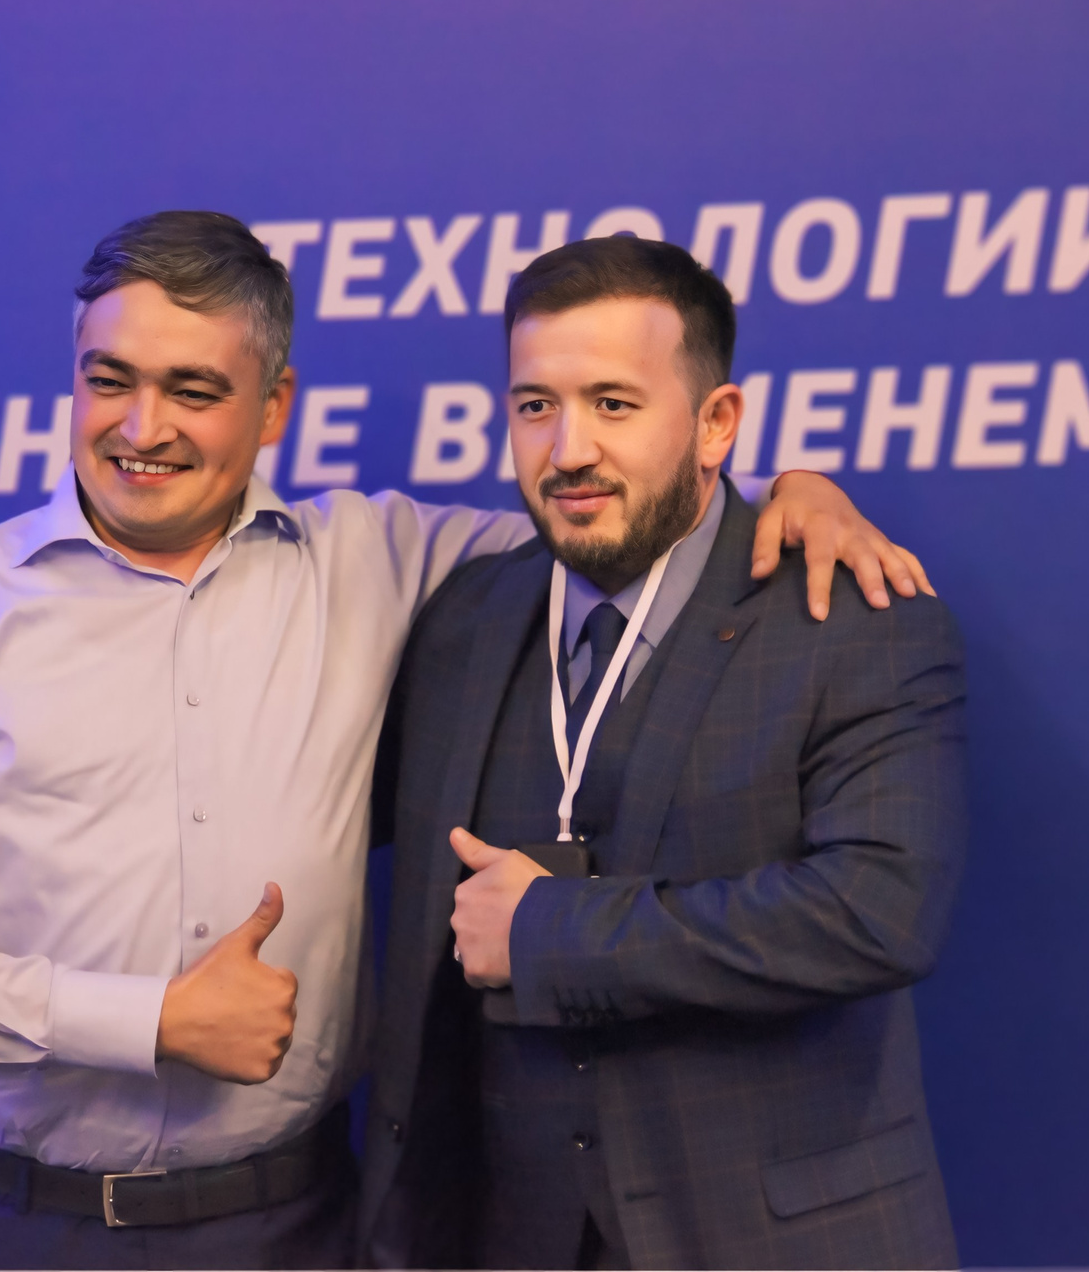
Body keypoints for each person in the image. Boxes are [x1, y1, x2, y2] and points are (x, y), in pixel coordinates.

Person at [0, 212, 930, 1270]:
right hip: (10, 1224)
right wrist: (152, 1020)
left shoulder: (379, 563)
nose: (142, 428)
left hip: (286, 1226)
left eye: (193, 390)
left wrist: (792, 493)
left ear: (273, 407)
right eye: (109, 380)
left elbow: (617, 514)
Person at [362, 236, 966, 1270]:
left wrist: (549, 931)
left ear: (716, 422)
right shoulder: (459, 620)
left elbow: (878, 913)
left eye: (614, 403)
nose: (568, 450)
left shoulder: (855, 616)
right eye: (536, 405)